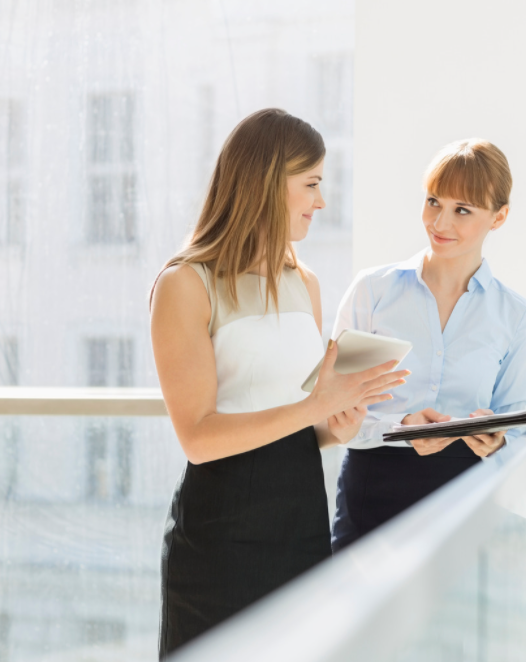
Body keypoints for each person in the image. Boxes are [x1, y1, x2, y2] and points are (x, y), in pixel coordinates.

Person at [149, 108, 408, 657]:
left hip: (302, 527)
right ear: (268, 181)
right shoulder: (185, 284)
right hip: (220, 540)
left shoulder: (305, 283)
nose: (320, 201)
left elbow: (292, 420)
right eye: (311, 184)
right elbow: (198, 437)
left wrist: (337, 422)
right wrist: (316, 403)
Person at [329, 138, 526, 553]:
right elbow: (334, 412)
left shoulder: (516, 316)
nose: (440, 223)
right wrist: (400, 427)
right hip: (372, 493)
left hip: (466, 497)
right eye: (433, 202)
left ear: (499, 217)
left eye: (462, 210)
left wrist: (498, 441)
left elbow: (516, 426)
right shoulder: (373, 291)